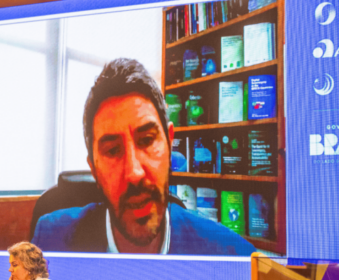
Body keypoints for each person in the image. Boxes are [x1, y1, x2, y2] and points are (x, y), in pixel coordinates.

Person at [32, 58, 256, 256]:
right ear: (94, 168)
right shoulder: (50, 243)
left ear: (169, 143)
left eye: (147, 140)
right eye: (112, 150)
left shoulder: (233, 256)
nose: (134, 173)